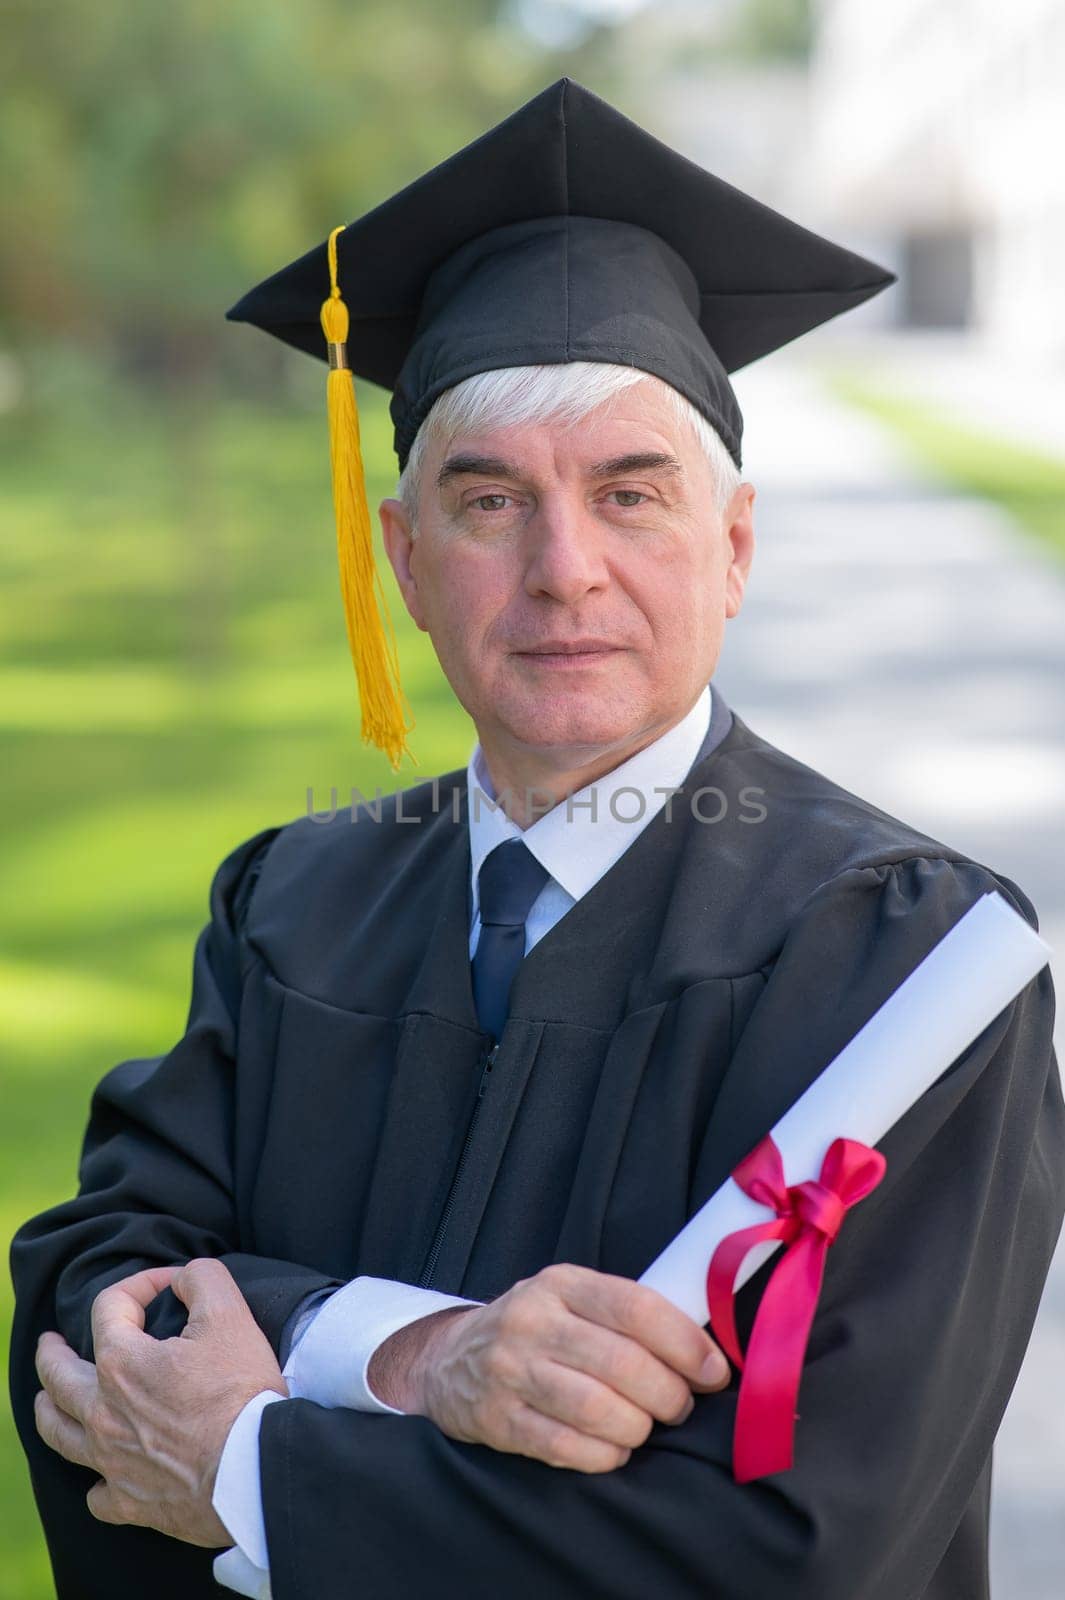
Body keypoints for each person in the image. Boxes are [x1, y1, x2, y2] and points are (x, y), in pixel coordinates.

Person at [9, 76, 1064, 1600]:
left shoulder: (900, 961)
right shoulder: (293, 904)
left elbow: (799, 1548)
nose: (562, 570)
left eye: (629, 494)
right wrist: (411, 1356)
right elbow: (96, 1293)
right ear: (405, 560)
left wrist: (251, 1462)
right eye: (489, 499)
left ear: (735, 548)